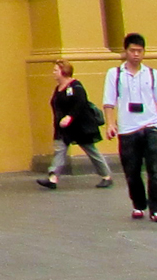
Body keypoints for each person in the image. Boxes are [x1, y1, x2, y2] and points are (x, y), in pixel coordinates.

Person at [101, 33, 157, 221]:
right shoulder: (115, 74)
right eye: (133, 50)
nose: (136, 54)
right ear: (126, 51)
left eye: (139, 51)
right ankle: (138, 204)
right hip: (128, 129)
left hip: (151, 125)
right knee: (132, 170)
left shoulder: (153, 74)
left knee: (155, 169)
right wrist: (110, 124)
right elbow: (109, 102)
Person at [39, 60, 113, 189]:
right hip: (64, 128)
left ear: (64, 72)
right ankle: (53, 177)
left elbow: (80, 103)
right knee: (60, 150)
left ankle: (106, 175)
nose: (53, 73)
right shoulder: (58, 88)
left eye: (56, 70)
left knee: (91, 150)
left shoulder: (75, 86)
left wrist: (70, 116)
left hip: (79, 127)